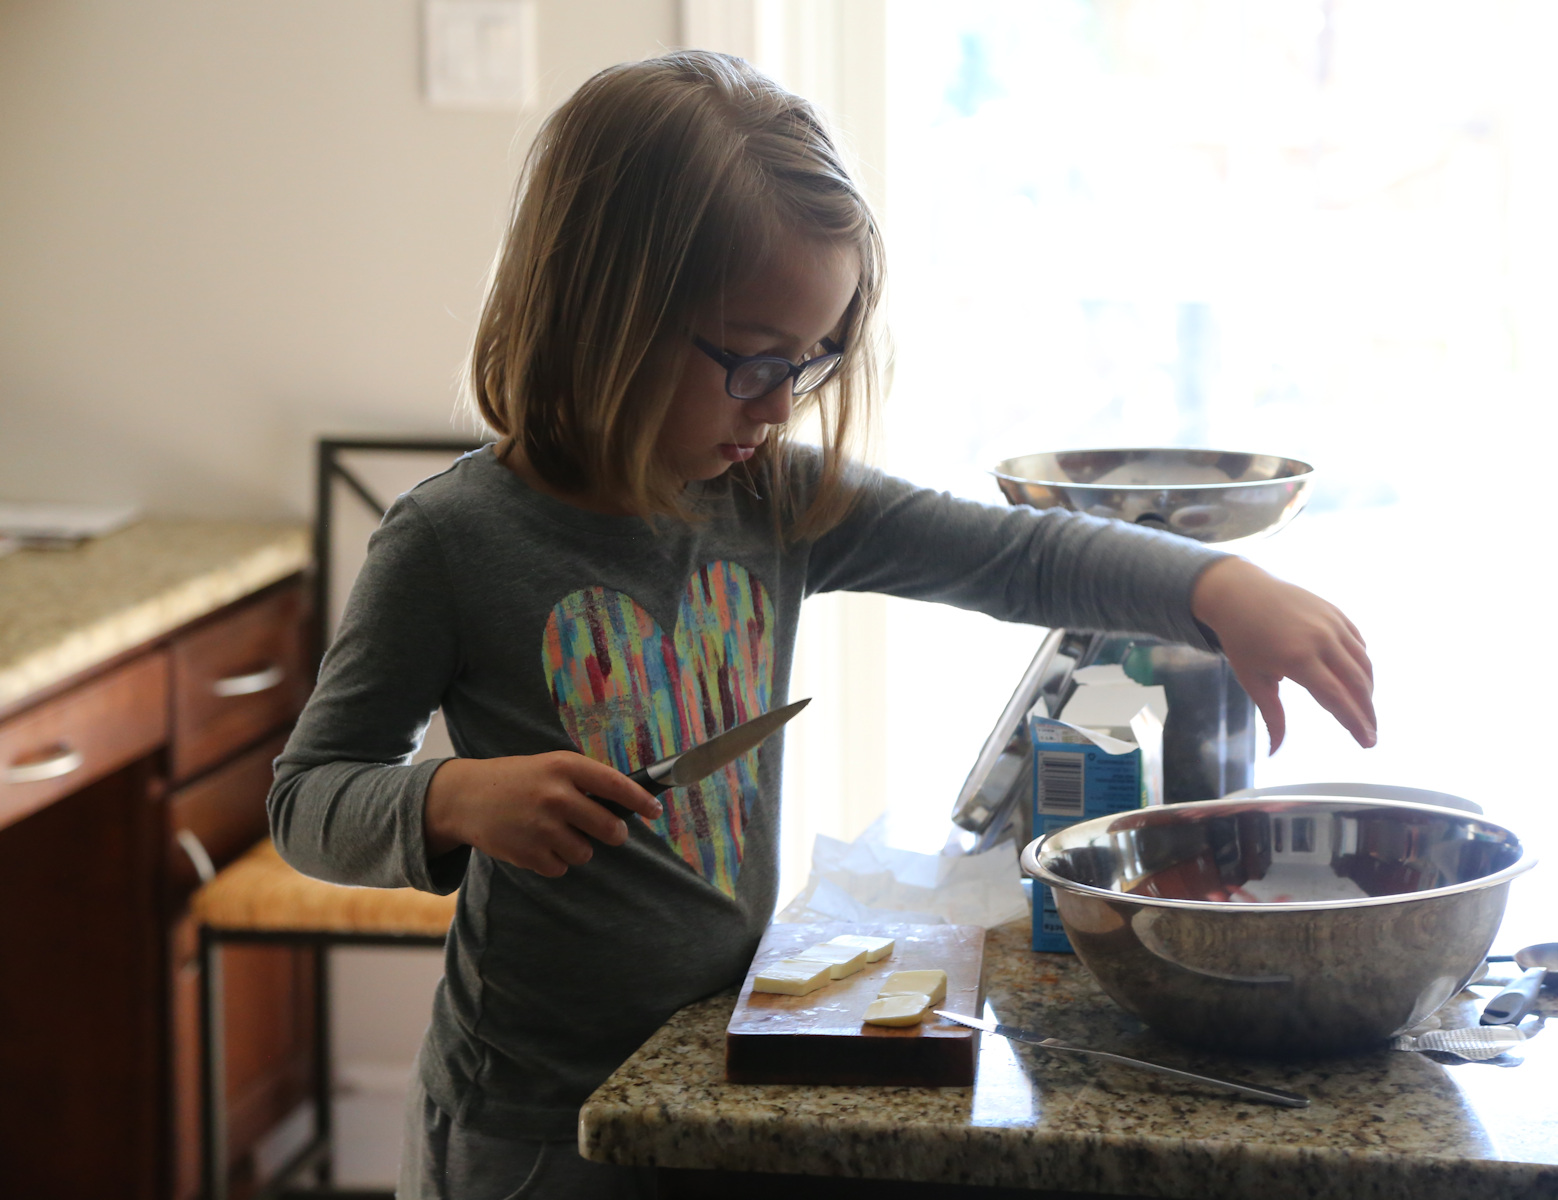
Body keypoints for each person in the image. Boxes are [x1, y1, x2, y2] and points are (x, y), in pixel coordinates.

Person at [269, 50, 1376, 1200]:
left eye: (810, 361)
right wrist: (453, 799)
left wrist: (1217, 587)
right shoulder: (452, 540)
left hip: (708, 1070)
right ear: (603, 312)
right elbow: (308, 799)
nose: (778, 403)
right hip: (525, 1126)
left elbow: (1015, 553)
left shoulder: (772, 501)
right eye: (750, 359)